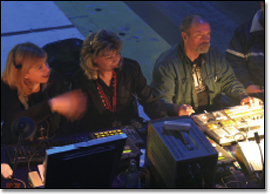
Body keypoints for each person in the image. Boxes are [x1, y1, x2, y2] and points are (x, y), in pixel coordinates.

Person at [150, 15, 263, 117]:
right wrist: (176, 109)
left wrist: (242, 96)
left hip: (212, 114)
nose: (206, 40)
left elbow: (228, 80)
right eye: (199, 35)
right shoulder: (167, 64)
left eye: (208, 34)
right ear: (185, 37)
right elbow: (160, 101)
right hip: (185, 120)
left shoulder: (213, 54)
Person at [72, 29, 167, 132]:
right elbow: (78, 118)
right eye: (109, 57)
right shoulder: (80, 79)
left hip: (129, 126)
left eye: (117, 54)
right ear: (93, 58)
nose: (116, 59)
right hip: (99, 131)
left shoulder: (131, 68)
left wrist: (163, 122)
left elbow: (149, 100)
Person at [1, 42, 87, 144]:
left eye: (45, 63)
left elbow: (68, 120)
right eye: (40, 67)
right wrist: (52, 105)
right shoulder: (6, 87)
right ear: (25, 74)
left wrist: (58, 142)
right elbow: (17, 121)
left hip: (54, 144)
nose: (47, 69)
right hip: (19, 148)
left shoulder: (55, 79)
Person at [226, 2, 264, 100]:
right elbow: (234, 61)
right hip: (256, 98)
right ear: (263, 6)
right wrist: (246, 84)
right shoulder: (244, 32)